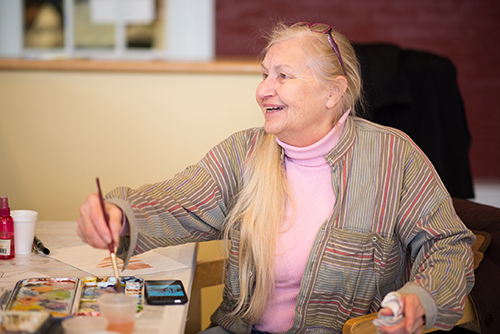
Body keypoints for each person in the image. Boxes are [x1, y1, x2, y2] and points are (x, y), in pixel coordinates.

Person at [77, 22, 475, 334]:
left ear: (333, 92)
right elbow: (178, 201)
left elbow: (447, 245)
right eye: (265, 74)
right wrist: (119, 214)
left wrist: (420, 298)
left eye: (283, 76)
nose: (263, 89)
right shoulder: (243, 152)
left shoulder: (394, 156)